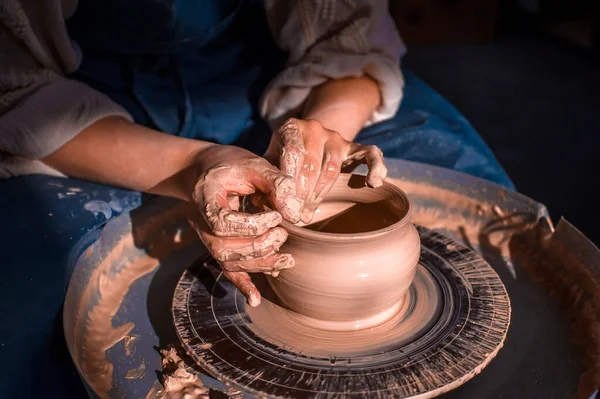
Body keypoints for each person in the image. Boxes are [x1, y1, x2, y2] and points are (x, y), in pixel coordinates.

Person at [0, 1, 513, 396]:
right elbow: (15, 91)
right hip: (89, 112)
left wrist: (319, 148)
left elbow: (348, 36)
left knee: (471, 182)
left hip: (282, 78)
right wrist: (192, 166)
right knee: (29, 304)